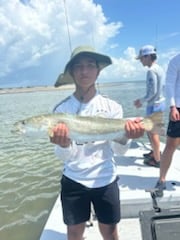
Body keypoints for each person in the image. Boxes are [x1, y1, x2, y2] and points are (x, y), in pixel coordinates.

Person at [50, 45, 145, 240]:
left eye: (90, 65)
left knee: (110, 231)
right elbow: (63, 156)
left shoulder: (113, 107)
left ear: (98, 70)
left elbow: (119, 151)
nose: (84, 71)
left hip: (105, 177)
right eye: (78, 66)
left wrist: (126, 136)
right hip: (74, 179)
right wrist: (63, 144)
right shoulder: (61, 110)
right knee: (74, 232)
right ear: (71, 72)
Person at [134, 45, 166, 168]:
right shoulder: (160, 68)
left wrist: (140, 101)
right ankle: (155, 152)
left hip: (154, 106)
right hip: (160, 104)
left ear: (147, 56)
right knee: (151, 130)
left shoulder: (151, 70)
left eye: (141, 58)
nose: (141, 61)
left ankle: (157, 160)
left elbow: (151, 92)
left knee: (153, 133)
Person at [154, 54, 180, 197]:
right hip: (178, 108)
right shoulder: (176, 61)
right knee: (171, 145)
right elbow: (169, 85)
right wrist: (172, 107)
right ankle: (162, 179)